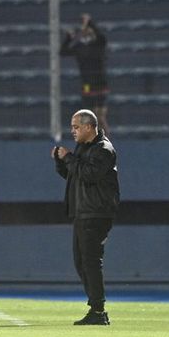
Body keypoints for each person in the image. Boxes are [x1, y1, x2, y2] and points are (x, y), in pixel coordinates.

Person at [51, 109, 119, 325]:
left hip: (96, 213)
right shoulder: (85, 147)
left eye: (76, 127)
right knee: (81, 261)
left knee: (90, 261)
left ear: (89, 127)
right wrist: (60, 162)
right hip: (83, 212)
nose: (72, 131)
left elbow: (89, 174)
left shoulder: (104, 149)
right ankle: (95, 306)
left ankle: (98, 310)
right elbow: (73, 175)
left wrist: (69, 157)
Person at [60, 13, 110, 135]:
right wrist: (69, 37)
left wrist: (90, 22)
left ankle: (105, 141)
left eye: (89, 31)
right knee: (90, 115)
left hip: (100, 83)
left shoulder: (98, 45)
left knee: (100, 116)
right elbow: (62, 52)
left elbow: (102, 38)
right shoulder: (80, 47)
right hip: (88, 84)